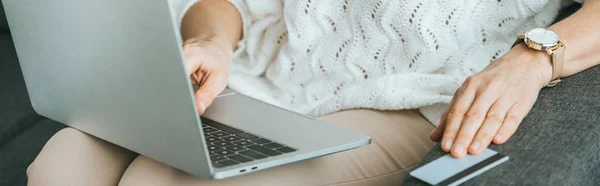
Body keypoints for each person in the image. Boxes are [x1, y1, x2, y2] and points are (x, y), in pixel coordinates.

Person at [27, 0, 600, 185]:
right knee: (62, 167)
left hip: (403, 97)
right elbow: (224, 5)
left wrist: (535, 56)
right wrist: (211, 44)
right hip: (259, 70)